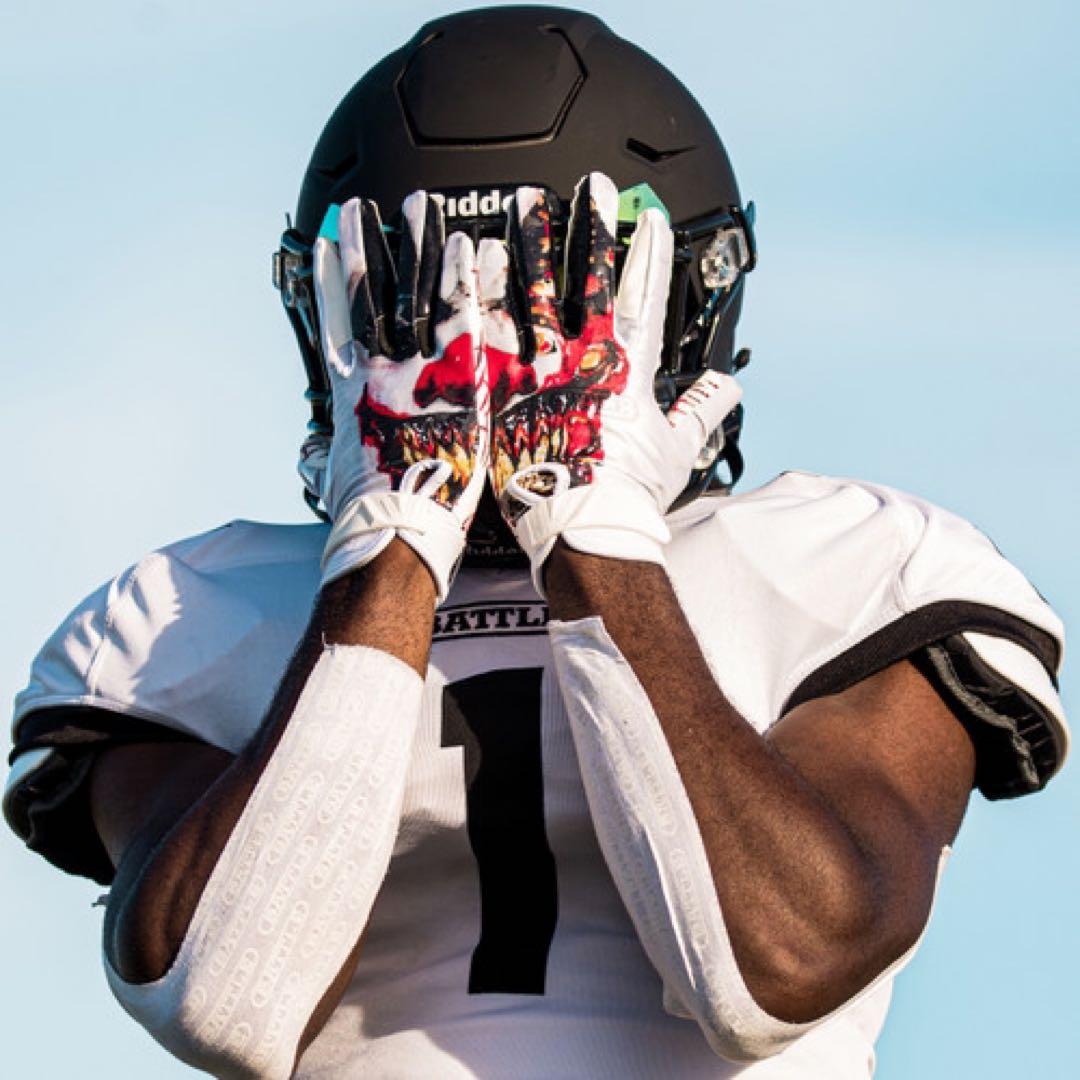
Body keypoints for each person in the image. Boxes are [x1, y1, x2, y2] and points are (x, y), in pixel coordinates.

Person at [3, 7, 1068, 1078]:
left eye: (541, 312)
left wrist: (593, 528)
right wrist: (393, 540)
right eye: (417, 308)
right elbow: (229, 998)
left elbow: (774, 972)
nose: (482, 360)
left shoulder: (850, 568)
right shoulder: (179, 616)